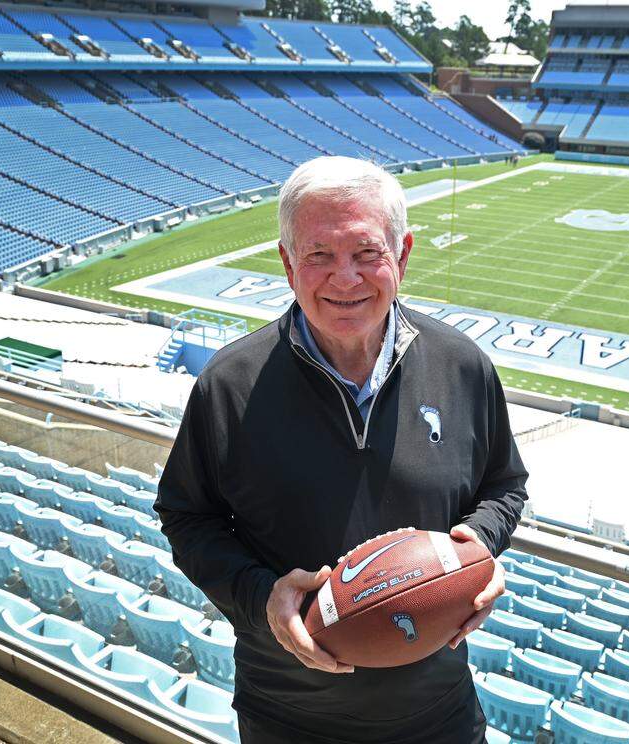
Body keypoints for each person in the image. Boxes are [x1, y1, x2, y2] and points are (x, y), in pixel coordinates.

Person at [154, 156, 528, 744]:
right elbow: (186, 517)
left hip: (437, 714)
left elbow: (504, 486)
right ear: (287, 263)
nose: (345, 278)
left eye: (366, 253)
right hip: (287, 716)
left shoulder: (462, 366)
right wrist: (261, 596)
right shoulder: (230, 384)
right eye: (319, 255)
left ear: (402, 255)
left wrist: (475, 549)